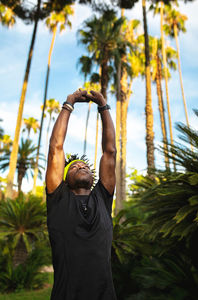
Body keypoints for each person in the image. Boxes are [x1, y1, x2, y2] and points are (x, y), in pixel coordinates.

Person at [45, 89, 117, 300]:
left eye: (85, 166)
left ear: (93, 177)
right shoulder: (58, 199)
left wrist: (103, 106)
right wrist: (69, 103)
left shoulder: (102, 199)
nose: (81, 167)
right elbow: (56, 148)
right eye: (74, 167)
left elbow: (110, 151)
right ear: (64, 180)